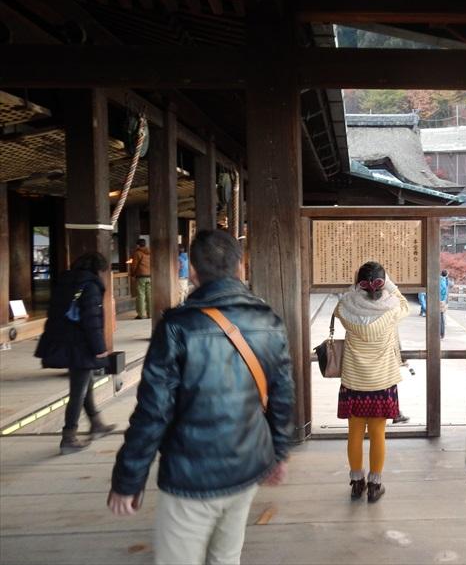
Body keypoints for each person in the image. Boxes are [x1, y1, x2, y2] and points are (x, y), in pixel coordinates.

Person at [108, 230, 295, 564]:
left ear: (192, 272)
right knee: (226, 558)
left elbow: (153, 412)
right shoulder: (269, 321)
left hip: (190, 476)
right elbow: (282, 397)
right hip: (247, 467)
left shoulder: (177, 327)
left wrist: (128, 478)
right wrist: (278, 453)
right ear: (240, 267)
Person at [335, 261, 409, 503]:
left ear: (359, 284)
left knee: (354, 433)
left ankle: (357, 482)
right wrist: (390, 285)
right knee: (378, 434)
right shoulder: (392, 309)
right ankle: (375, 485)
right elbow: (405, 303)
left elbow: (342, 303)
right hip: (382, 382)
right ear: (382, 283)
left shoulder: (345, 308)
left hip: (354, 382)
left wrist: (355, 287)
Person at [35, 252, 116, 454]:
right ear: (99, 269)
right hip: (80, 343)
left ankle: (96, 423)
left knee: (86, 382)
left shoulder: (65, 282)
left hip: (64, 340)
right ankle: (69, 436)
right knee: (78, 390)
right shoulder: (90, 286)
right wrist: (99, 348)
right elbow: (91, 319)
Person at [130, 238, 151, 319]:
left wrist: (132, 274)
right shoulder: (150, 252)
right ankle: (150, 314)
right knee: (149, 295)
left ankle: (141, 314)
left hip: (141, 276)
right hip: (150, 276)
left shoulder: (137, 253)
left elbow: (134, 265)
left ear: (138, 245)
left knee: (141, 295)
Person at [439, 269, 449, 339]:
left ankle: (441, 333)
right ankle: (441, 333)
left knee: (440, 317)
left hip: (439, 300)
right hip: (442, 301)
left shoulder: (440, 280)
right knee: (441, 317)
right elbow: (444, 292)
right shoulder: (443, 281)